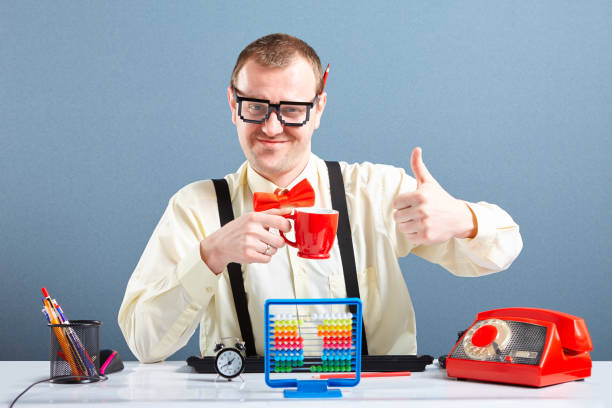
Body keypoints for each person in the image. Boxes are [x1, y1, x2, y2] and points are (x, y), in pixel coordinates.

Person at [118, 33, 523, 363]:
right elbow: (143, 343)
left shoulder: (374, 191)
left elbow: (505, 247)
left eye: (292, 109)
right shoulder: (195, 207)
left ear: (318, 108)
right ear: (232, 103)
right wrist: (208, 257)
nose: (272, 127)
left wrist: (463, 218)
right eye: (255, 106)